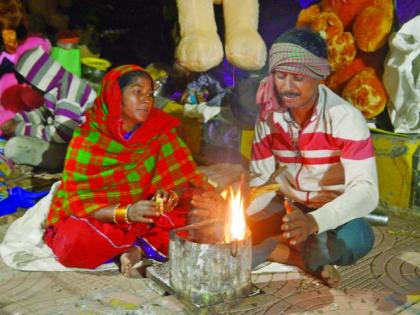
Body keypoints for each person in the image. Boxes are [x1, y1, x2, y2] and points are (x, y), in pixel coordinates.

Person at [192, 28, 379, 287]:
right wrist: (234, 209)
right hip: (287, 209)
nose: (287, 87)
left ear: (319, 77)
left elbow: (366, 192)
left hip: (330, 213)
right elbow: (263, 182)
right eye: (280, 76)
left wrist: (314, 222)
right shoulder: (269, 116)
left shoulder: (345, 118)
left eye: (298, 78)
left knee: (357, 239)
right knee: (213, 227)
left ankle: (283, 249)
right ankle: (296, 256)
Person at [43, 64, 211, 277]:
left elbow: (182, 176)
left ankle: (138, 248)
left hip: (150, 215)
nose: (146, 100)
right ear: (115, 96)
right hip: (106, 218)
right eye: (137, 92)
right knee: (74, 240)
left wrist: (170, 194)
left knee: (202, 212)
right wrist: (127, 212)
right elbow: (78, 202)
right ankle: (134, 244)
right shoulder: (88, 139)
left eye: (150, 94)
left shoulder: (160, 130)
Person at [0, 45, 97, 170]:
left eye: (31, 83)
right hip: (68, 140)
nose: (31, 87)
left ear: (40, 77)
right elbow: (45, 113)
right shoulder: (61, 83)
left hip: (80, 152)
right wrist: (18, 119)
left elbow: (59, 135)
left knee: (14, 147)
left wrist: (20, 128)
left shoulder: (67, 95)